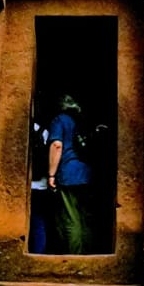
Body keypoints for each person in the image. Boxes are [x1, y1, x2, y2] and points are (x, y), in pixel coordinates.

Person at [47, 94, 93, 253]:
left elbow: (57, 145)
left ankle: (75, 258)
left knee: (70, 218)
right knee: (83, 218)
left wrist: (51, 174)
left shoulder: (59, 120)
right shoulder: (79, 121)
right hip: (84, 173)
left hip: (68, 173)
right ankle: (88, 255)